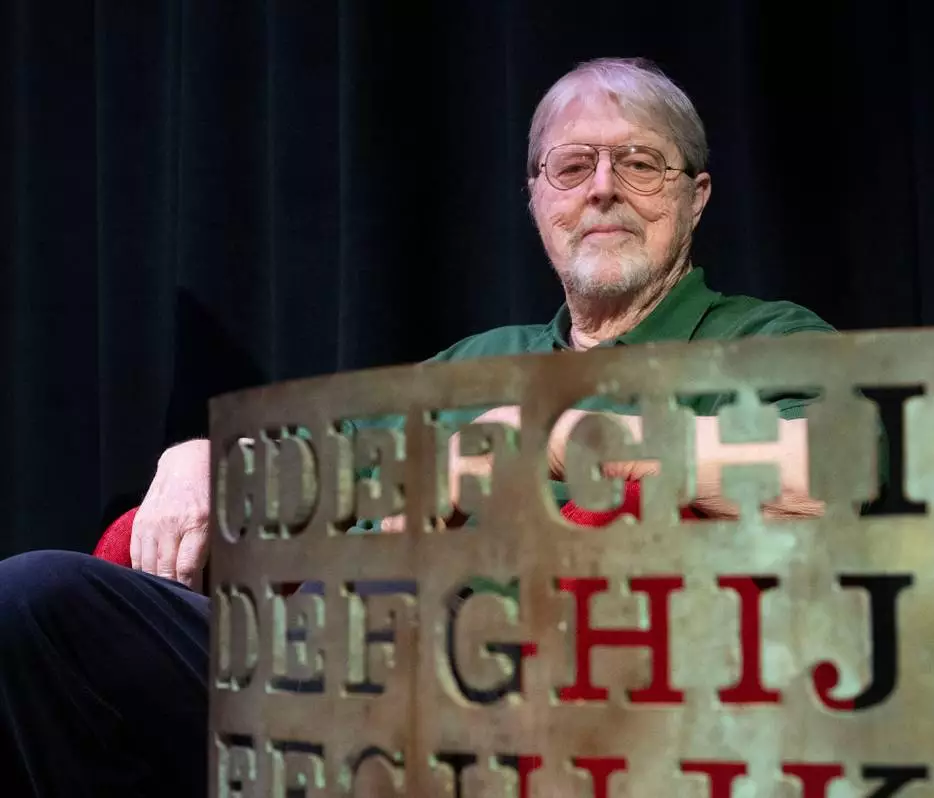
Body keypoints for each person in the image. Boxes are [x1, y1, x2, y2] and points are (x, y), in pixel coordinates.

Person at [0, 56, 833, 796]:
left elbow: (829, 476)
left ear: (695, 196)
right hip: (322, 661)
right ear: (538, 200)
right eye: (572, 166)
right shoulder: (472, 362)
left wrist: (551, 439)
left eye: (640, 163)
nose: (603, 188)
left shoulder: (758, 339)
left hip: (516, 691)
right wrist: (199, 457)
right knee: (38, 601)